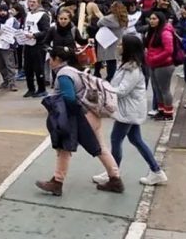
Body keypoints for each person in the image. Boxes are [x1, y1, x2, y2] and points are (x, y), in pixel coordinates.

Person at [36, 46, 124, 196]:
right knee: (100, 148)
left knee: (64, 148)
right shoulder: (73, 70)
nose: (49, 61)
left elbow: (69, 98)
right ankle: (115, 179)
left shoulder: (63, 74)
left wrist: (68, 117)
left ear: (57, 59)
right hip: (92, 114)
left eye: (51, 58)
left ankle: (57, 182)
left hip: (81, 116)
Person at [93, 35, 168, 186]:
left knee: (116, 139)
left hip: (128, 111)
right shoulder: (127, 65)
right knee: (136, 139)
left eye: (121, 44)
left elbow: (122, 90)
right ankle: (157, 171)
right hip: (130, 109)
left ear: (128, 48)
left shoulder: (133, 69)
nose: (119, 46)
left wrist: (102, 88)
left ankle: (113, 174)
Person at [144, 11, 177, 120]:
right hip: (153, 65)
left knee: (164, 89)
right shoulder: (153, 31)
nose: (152, 21)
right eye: (151, 19)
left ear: (160, 20)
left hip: (164, 65)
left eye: (154, 19)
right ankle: (161, 110)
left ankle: (168, 113)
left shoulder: (165, 32)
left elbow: (169, 50)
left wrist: (154, 59)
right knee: (156, 89)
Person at [22, 0, 51, 98]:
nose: (31, 3)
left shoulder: (43, 15)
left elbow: (46, 31)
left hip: (38, 45)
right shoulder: (28, 14)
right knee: (27, 68)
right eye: (30, 2)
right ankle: (31, 89)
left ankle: (42, 89)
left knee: (38, 68)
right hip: (28, 44)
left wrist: (34, 35)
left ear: (38, 3)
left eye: (34, 2)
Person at [95, 2, 129, 81]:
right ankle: (110, 77)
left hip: (106, 39)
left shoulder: (109, 18)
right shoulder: (124, 18)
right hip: (117, 40)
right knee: (112, 60)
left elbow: (99, 23)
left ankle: (98, 74)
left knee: (101, 58)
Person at [0, 5, 20, 91]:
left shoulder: (12, 20)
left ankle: (12, 83)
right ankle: (5, 81)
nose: (2, 13)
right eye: (1, 11)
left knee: (9, 65)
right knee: (0, 66)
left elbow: (17, 30)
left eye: (4, 11)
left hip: (8, 46)